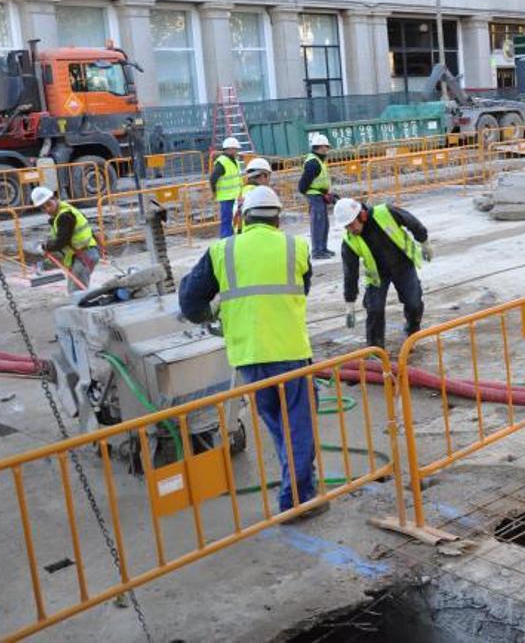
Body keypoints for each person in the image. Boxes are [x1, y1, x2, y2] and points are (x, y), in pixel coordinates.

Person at [178, 187, 326, 522]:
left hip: (248, 356)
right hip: (290, 352)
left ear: (244, 217)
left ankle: (300, 490)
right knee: (298, 427)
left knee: (277, 425)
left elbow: (190, 303)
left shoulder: (222, 251)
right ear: (277, 218)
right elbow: (303, 289)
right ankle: (296, 500)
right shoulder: (296, 246)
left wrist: (213, 316)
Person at [334, 197, 432, 350]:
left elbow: (411, 222)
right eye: (346, 227)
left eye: (351, 224)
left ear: (362, 215)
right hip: (378, 276)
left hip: (402, 265)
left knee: (414, 303)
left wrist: (424, 241)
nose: (350, 230)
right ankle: (375, 349)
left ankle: (412, 331)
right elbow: (350, 274)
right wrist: (349, 304)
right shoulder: (349, 241)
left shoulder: (385, 212)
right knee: (375, 309)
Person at [32, 186, 99, 293]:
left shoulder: (64, 216)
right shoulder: (66, 210)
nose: (47, 210)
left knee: (77, 292)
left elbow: (61, 242)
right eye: (43, 208)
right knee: (76, 290)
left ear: (55, 199)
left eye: (49, 205)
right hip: (86, 253)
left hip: (84, 255)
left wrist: (45, 246)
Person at [298, 133, 335, 260]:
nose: (327, 150)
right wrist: (311, 193)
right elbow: (303, 185)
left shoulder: (318, 160)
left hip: (320, 195)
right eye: (326, 147)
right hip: (315, 196)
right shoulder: (313, 162)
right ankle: (317, 251)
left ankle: (323, 248)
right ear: (320, 147)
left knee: (324, 223)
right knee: (318, 223)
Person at [210, 137, 242, 238]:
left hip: (236, 197)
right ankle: (225, 241)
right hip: (226, 198)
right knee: (227, 221)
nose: (237, 151)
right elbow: (212, 178)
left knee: (236, 220)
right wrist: (214, 192)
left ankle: (234, 239)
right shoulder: (222, 162)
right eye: (235, 149)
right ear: (229, 149)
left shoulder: (235, 161)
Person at [233, 157, 273, 234]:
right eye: (268, 176)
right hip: (254, 236)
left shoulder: (242, 192)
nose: (269, 181)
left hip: (240, 237)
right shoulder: (260, 193)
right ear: (262, 176)